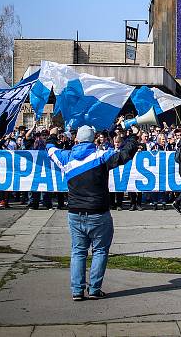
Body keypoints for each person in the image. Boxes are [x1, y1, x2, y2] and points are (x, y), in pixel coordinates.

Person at [46, 124, 140, 301]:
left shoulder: (66, 157)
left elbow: (50, 150)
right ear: (94, 139)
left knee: (78, 251)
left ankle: (77, 291)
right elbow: (124, 155)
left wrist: (52, 136)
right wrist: (133, 137)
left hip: (75, 212)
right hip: (98, 212)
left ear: (77, 139)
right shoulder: (101, 155)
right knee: (100, 251)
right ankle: (95, 289)